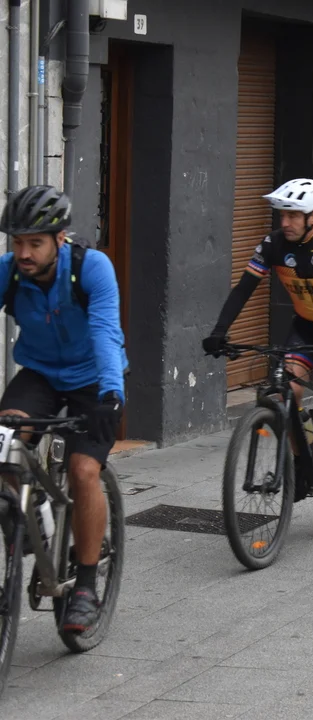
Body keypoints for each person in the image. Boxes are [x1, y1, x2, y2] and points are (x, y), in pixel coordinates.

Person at [0, 185, 126, 634]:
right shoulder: (9, 272)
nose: (24, 253)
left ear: (60, 238)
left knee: (83, 469)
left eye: (34, 243)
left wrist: (111, 395)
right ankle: (30, 518)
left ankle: (86, 585)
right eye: (17, 242)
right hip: (39, 374)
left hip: (93, 379)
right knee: (5, 447)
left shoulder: (91, 268)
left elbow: (106, 332)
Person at [204, 179, 313, 483]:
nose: (285, 222)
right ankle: (303, 456)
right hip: (305, 326)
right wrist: (219, 332)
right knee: (286, 392)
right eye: (282, 215)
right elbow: (243, 289)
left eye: (293, 215)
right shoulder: (273, 245)